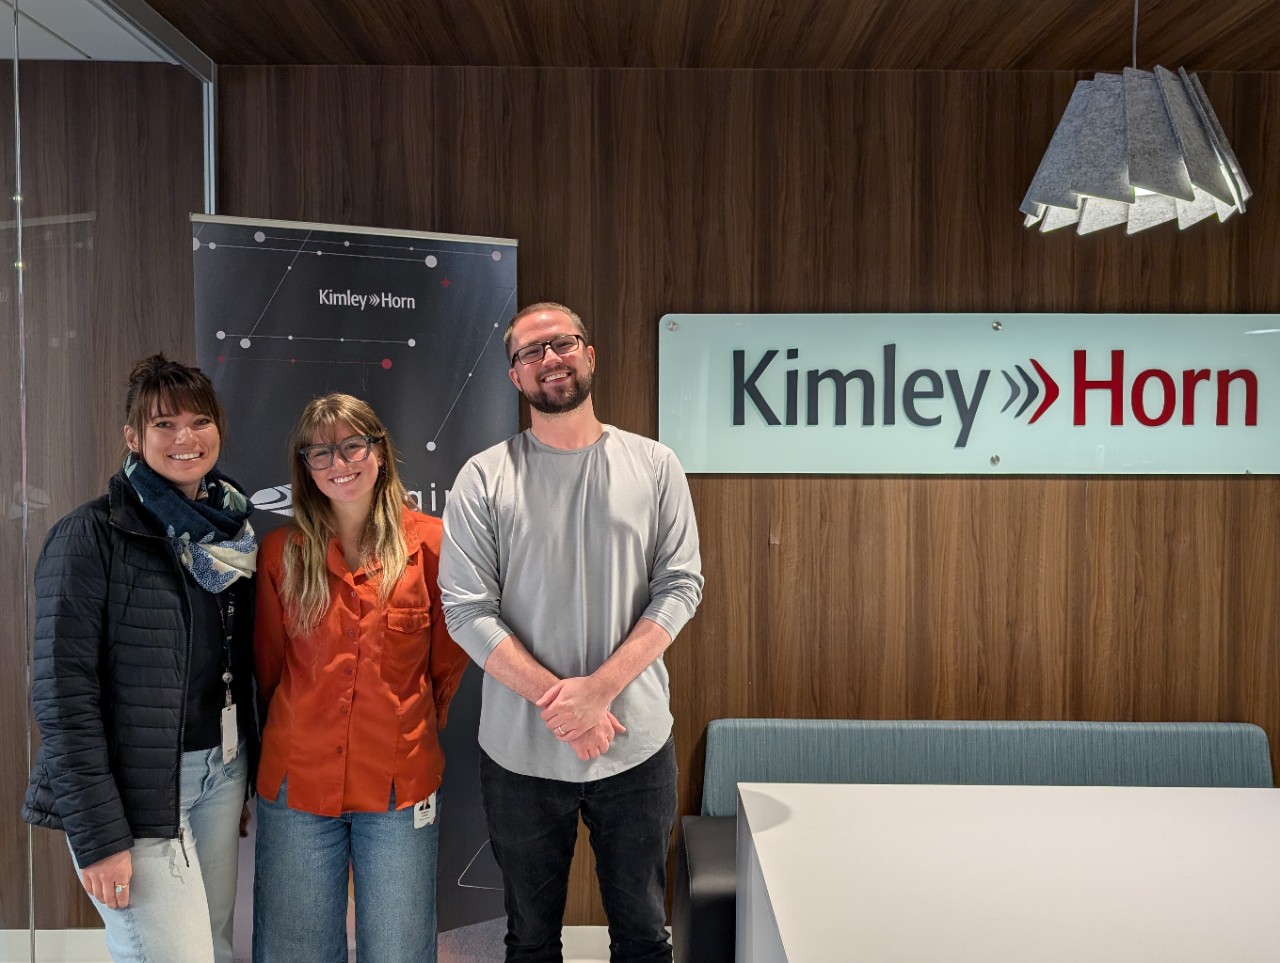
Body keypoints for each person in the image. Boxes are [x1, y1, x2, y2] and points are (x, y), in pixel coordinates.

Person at [439, 302, 704, 962]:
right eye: (531, 352)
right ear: (514, 376)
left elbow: (682, 586)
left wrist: (600, 692)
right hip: (520, 756)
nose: (548, 358)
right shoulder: (483, 477)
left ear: (589, 353)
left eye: (561, 343)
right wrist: (564, 703)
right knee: (528, 937)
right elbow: (467, 611)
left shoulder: (655, 464)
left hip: (635, 746)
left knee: (644, 934)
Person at [23, 354, 259, 963]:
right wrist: (99, 836)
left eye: (199, 421)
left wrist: (241, 770)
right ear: (133, 436)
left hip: (221, 770)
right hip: (136, 790)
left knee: (212, 944)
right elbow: (61, 695)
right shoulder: (91, 535)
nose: (186, 438)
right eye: (164, 424)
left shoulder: (230, 536)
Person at [251, 392, 469, 963]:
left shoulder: (432, 545)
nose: (338, 462)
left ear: (379, 452)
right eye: (319, 452)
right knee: (294, 950)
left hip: (400, 786)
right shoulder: (281, 553)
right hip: (297, 784)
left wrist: (411, 718)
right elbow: (269, 671)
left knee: (399, 950)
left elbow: (447, 660)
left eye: (352, 445)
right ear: (304, 465)